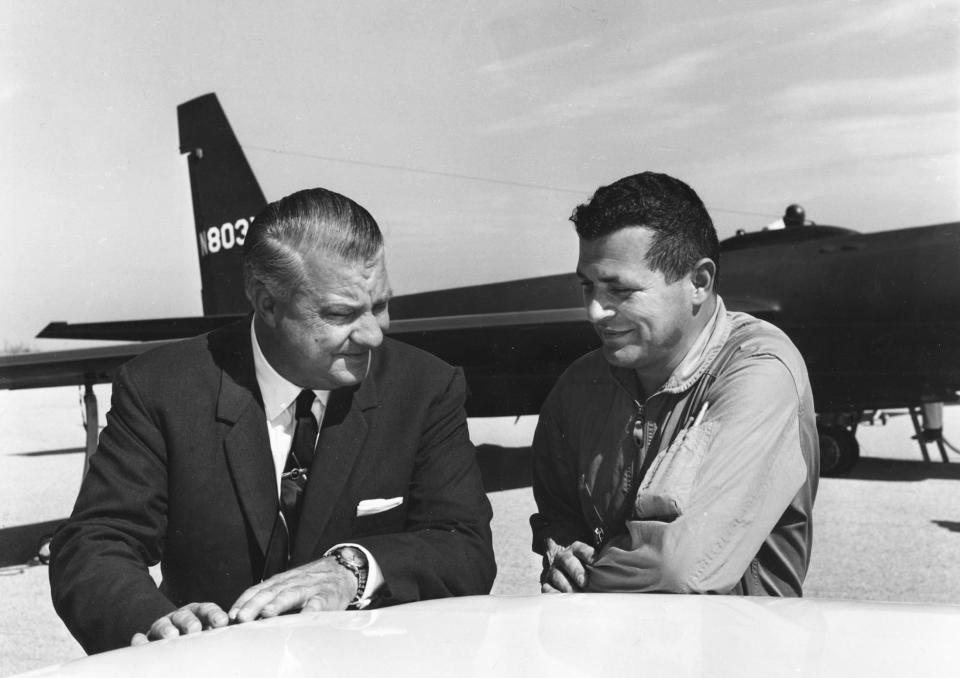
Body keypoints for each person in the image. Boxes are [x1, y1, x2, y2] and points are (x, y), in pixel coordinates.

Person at [50, 188, 496, 654]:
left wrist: (354, 571)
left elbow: (465, 547)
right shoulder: (161, 388)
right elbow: (94, 543)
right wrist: (159, 625)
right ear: (266, 303)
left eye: (380, 306)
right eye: (341, 314)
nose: (374, 336)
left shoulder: (424, 387)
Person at [531, 172, 819, 596]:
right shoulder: (579, 385)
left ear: (698, 283)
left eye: (620, 289)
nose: (594, 311)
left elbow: (678, 569)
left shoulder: (760, 371)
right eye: (587, 286)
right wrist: (562, 551)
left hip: (739, 653)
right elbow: (557, 514)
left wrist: (587, 579)